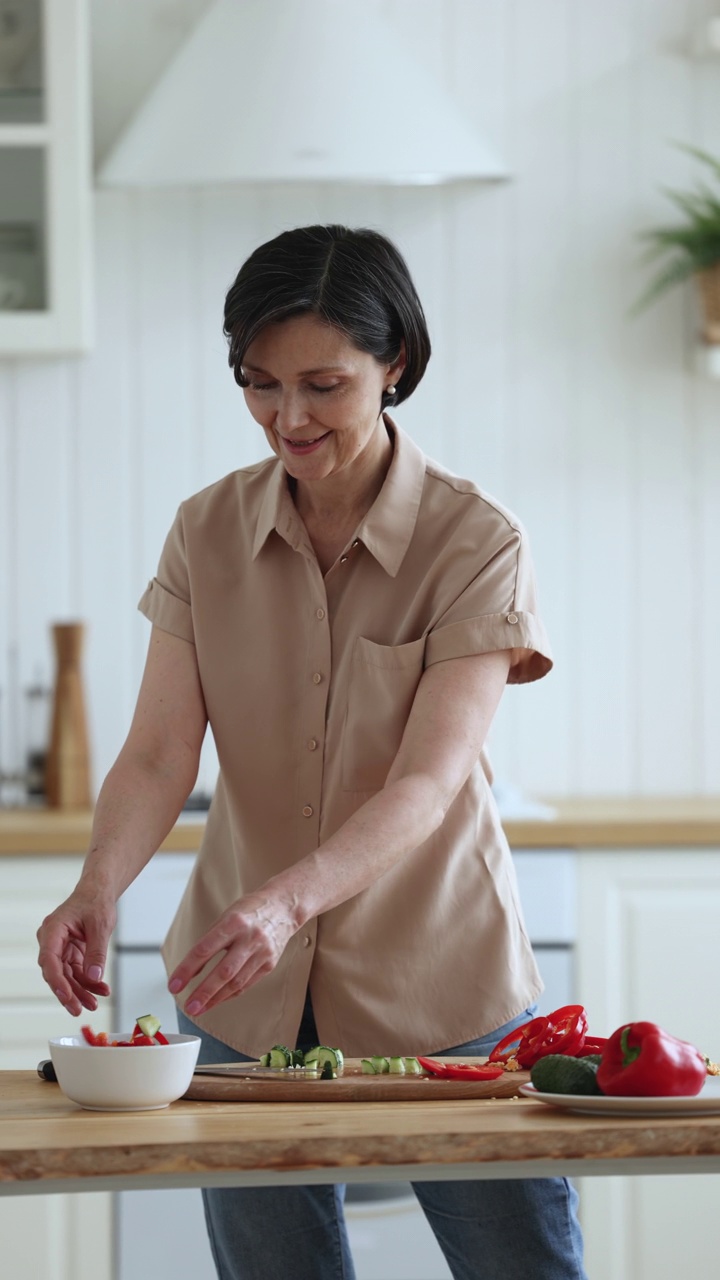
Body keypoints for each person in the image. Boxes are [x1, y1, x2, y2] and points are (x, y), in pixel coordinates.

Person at [37, 224, 586, 1280]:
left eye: (324, 384)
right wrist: (98, 886)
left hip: (447, 994)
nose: (288, 417)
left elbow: (427, 778)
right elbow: (158, 755)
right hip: (243, 996)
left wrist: (287, 901)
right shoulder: (206, 531)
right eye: (260, 382)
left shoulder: (477, 541)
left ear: (397, 367)